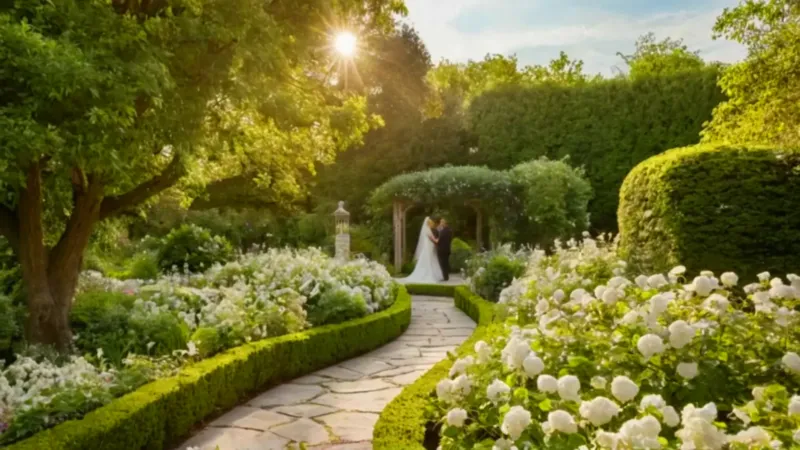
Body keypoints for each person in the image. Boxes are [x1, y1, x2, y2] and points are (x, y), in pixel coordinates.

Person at [398, 217, 444, 283]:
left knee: (431, 260)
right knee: (429, 261)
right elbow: (434, 240)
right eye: (431, 223)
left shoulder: (427, 230)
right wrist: (440, 237)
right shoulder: (428, 230)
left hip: (429, 248)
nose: (432, 224)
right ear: (429, 224)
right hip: (428, 248)